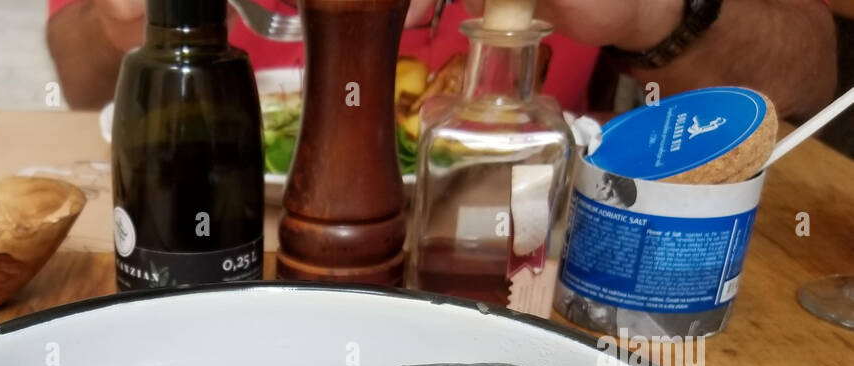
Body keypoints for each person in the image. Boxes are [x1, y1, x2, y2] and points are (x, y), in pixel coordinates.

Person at [46, 0, 836, 120]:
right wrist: (120, 22)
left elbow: (816, 69)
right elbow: (78, 82)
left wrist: (652, 14)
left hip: (514, 263)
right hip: (224, 244)